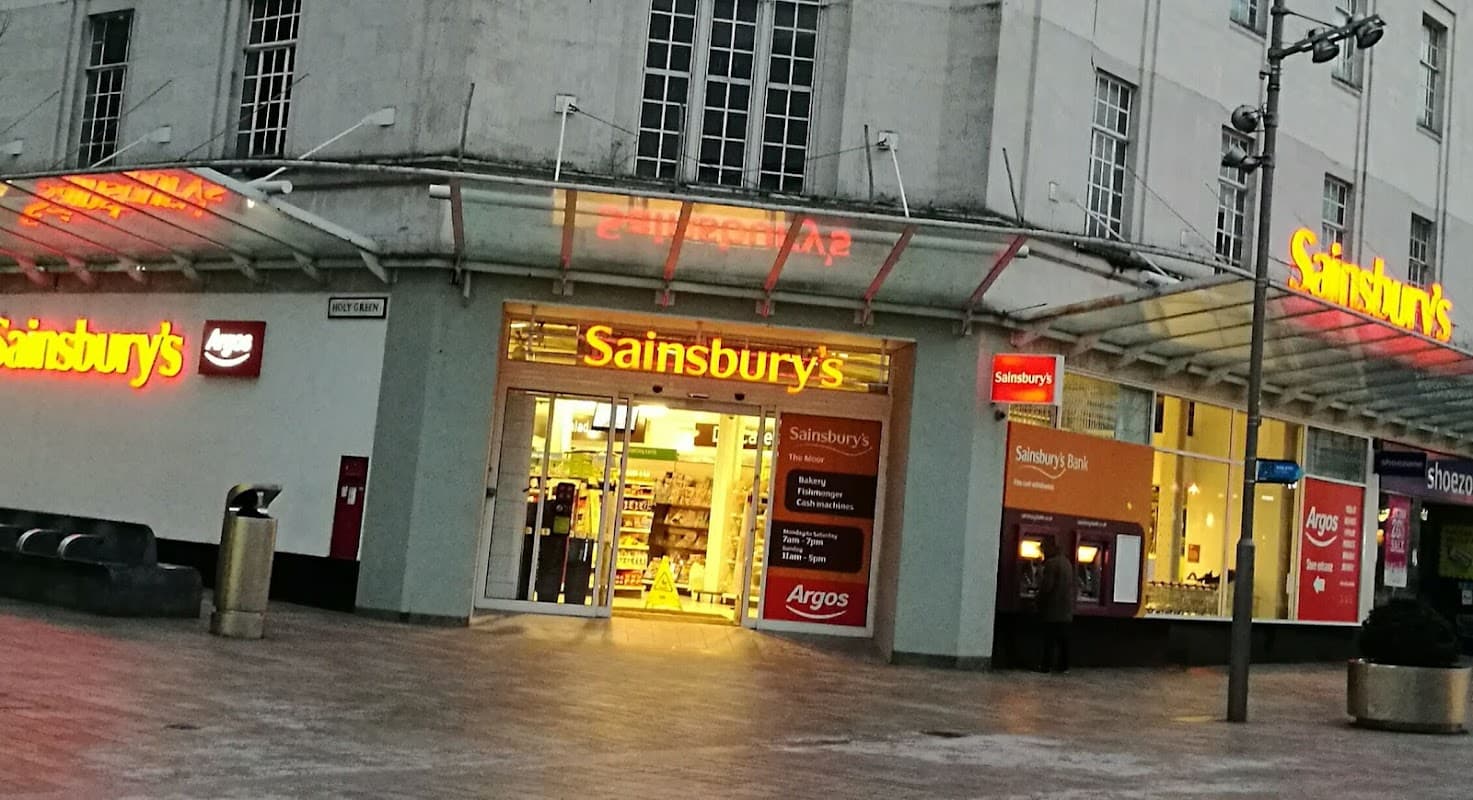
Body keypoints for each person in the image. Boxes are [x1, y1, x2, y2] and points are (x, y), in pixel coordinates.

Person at [1036, 538, 1076, 673]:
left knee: (1049, 641)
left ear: (1049, 547)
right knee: (1064, 641)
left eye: (1043, 549)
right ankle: (1063, 666)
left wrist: (1037, 598)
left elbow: (1047, 587)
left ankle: (1045, 666)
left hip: (1053, 609)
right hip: (1066, 610)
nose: (1042, 552)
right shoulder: (1067, 562)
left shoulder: (1051, 564)